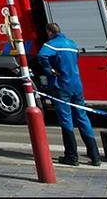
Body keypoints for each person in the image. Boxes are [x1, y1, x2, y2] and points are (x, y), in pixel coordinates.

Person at [37, 22, 101, 167]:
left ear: (49, 32)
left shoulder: (51, 45)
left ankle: (71, 156)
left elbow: (41, 56)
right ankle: (95, 155)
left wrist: (50, 70)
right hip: (76, 84)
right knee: (82, 118)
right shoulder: (71, 44)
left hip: (61, 85)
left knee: (66, 119)